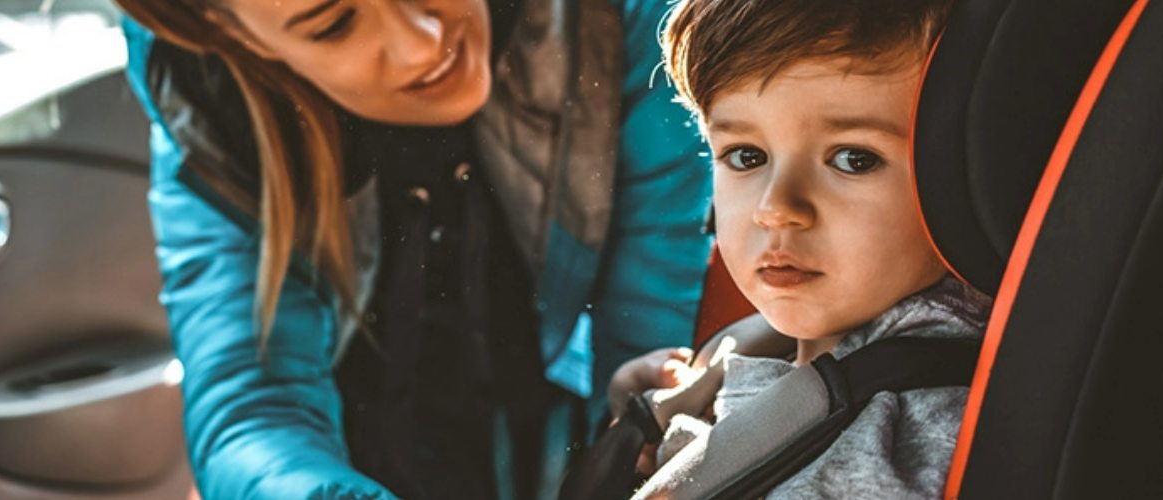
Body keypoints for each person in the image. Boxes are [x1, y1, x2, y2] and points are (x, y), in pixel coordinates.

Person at [112, 0, 714, 496]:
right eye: (332, 24)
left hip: (539, 422)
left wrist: (617, 462)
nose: (422, 43)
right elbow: (251, 406)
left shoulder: (624, 20)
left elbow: (648, 340)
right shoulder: (211, 120)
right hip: (352, 454)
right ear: (234, 32)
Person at [614, 0, 988, 497]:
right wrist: (656, 419)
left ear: (962, 174)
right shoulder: (767, 345)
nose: (776, 207)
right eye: (747, 156)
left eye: (854, 159)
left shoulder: (904, 434)